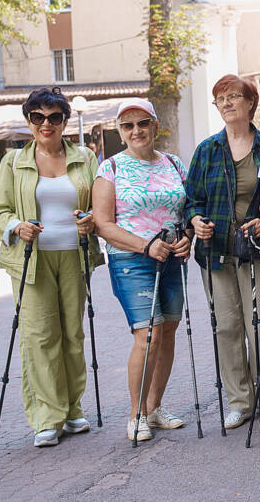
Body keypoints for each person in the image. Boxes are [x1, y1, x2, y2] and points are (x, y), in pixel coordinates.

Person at [0, 87, 102, 447]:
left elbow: (103, 205)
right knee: (39, 337)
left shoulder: (85, 158)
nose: (46, 124)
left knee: (72, 334)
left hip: (74, 254)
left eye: (54, 117)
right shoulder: (13, 161)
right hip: (30, 259)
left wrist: (92, 219)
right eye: (38, 117)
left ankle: (72, 409)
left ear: (65, 121)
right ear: (29, 121)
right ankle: (47, 418)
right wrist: (17, 226)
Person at [185, 74, 260, 430]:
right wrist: (195, 220)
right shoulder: (207, 149)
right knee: (227, 326)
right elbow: (190, 199)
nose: (226, 104)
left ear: (250, 102)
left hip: (256, 248)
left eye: (233, 97)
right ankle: (239, 401)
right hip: (217, 252)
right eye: (220, 99)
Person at [92, 98, 191, 442]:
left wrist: (187, 237)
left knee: (168, 332)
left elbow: (186, 211)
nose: (137, 131)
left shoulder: (174, 164)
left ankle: (154, 407)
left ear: (154, 125)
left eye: (143, 123)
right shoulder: (111, 168)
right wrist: (145, 245)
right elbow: (103, 224)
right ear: (120, 132)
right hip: (132, 260)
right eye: (128, 125)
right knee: (147, 334)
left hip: (173, 258)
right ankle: (135, 415)